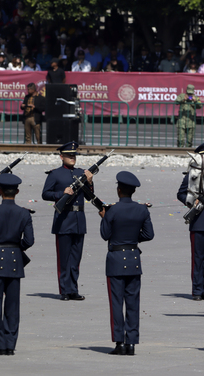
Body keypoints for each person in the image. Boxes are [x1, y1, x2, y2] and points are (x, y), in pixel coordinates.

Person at [99, 171, 154, 356]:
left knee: (116, 303)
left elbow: (105, 235)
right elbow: (148, 235)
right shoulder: (142, 209)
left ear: (119, 190)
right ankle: (131, 343)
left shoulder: (112, 210)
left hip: (115, 259)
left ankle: (119, 342)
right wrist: (131, 239)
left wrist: (105, 217)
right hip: (133, 258)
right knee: (133, 303)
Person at [0, 173, 33, 355]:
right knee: (12, 306)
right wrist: (16, 248)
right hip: (14, 261)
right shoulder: (24, 213)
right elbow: (29, 240)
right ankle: (10, 345)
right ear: (17, 192)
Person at [41, 142, 94, 301]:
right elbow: (45, 194)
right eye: (69, 155)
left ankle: (73, 290)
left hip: (78, 220)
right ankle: (64, 290)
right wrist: (60, 193)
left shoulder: (81, 173)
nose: (72, 158)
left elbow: (89, 197)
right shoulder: (55, 174)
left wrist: (89, 182)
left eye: (74, 155)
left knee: (75, 259)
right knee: (64, 259)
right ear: (61, 156)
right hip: (63, 220)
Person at [176, 142, 204, 301]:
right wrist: (191, 202)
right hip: (199, 219)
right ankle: (196, 290)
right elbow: (181, 194)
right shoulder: (192, 174)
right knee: (198, 258)